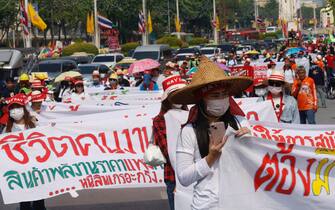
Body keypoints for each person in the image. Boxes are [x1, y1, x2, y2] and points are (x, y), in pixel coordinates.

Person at [169, 57, 252, 210]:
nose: (221, 99)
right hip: (206, 205)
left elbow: (258, 161)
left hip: (240, 202)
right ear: (202, 99)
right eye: (214, 95)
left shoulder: (241, 122)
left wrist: (250, 141)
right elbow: (184, 178)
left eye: (224, 94)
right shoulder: (189, 131)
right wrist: (210, 158)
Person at [3, 94, 46, 210]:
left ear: (23, 108)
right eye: (12, 108)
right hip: (20, 167)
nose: (15, 110)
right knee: (24, 197)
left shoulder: (33, 124)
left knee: (39, 195)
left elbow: (45, 139)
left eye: (17, 107)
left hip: (36, 165)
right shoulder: (8, 128)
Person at [152, 75, 187, 210]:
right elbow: (167, 150)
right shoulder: (160, 120)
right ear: (167, 98)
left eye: (181, 94)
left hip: (196, 174)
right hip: (174, 175)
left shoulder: (192, 115)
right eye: (174, 95)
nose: (178, 98)